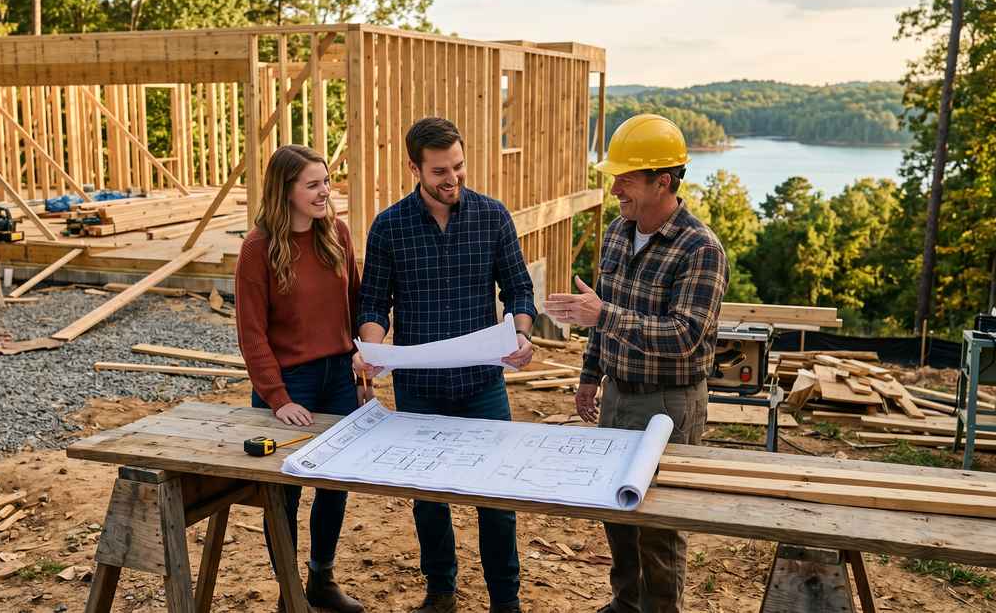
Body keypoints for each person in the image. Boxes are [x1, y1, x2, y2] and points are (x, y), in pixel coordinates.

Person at [544, 114, 728, 613]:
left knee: (660, 526)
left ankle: (660, 610)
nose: (615, 186)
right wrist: (588, 375)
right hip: (619, 394)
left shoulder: (701, 249)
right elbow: (600, 312)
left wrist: (603, 314)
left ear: (662, 181)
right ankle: (626, 603)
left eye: (625, 177)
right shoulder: (618, 232)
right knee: (617, 511)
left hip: (669, 404)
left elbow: (685, 337)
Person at [354, 117, 536, 613]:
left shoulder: (493, 216)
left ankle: (506, 601)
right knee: (428, 498)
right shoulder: (389, 226)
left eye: (458, 166)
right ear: (414, 167)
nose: (452, 178)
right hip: (419, 388)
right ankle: (440, 592)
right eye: (439, 171)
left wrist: (521, 332)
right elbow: (374, 305)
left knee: (496, 498)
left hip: (483, 384)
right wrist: (370, 352)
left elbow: (518, 288)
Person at [235, 144, 366, 613]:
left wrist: (363, 355)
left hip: (338, 378)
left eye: (327, 181)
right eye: (312, 184)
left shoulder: (337, 234)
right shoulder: (258, 249)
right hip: (291, 383)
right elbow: (251, 335)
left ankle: (321, 581)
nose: (324, 192)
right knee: (284, 494)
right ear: (285, 190)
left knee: (336, 483)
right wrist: (277, 397)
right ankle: (290, 596)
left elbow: (354, 301)